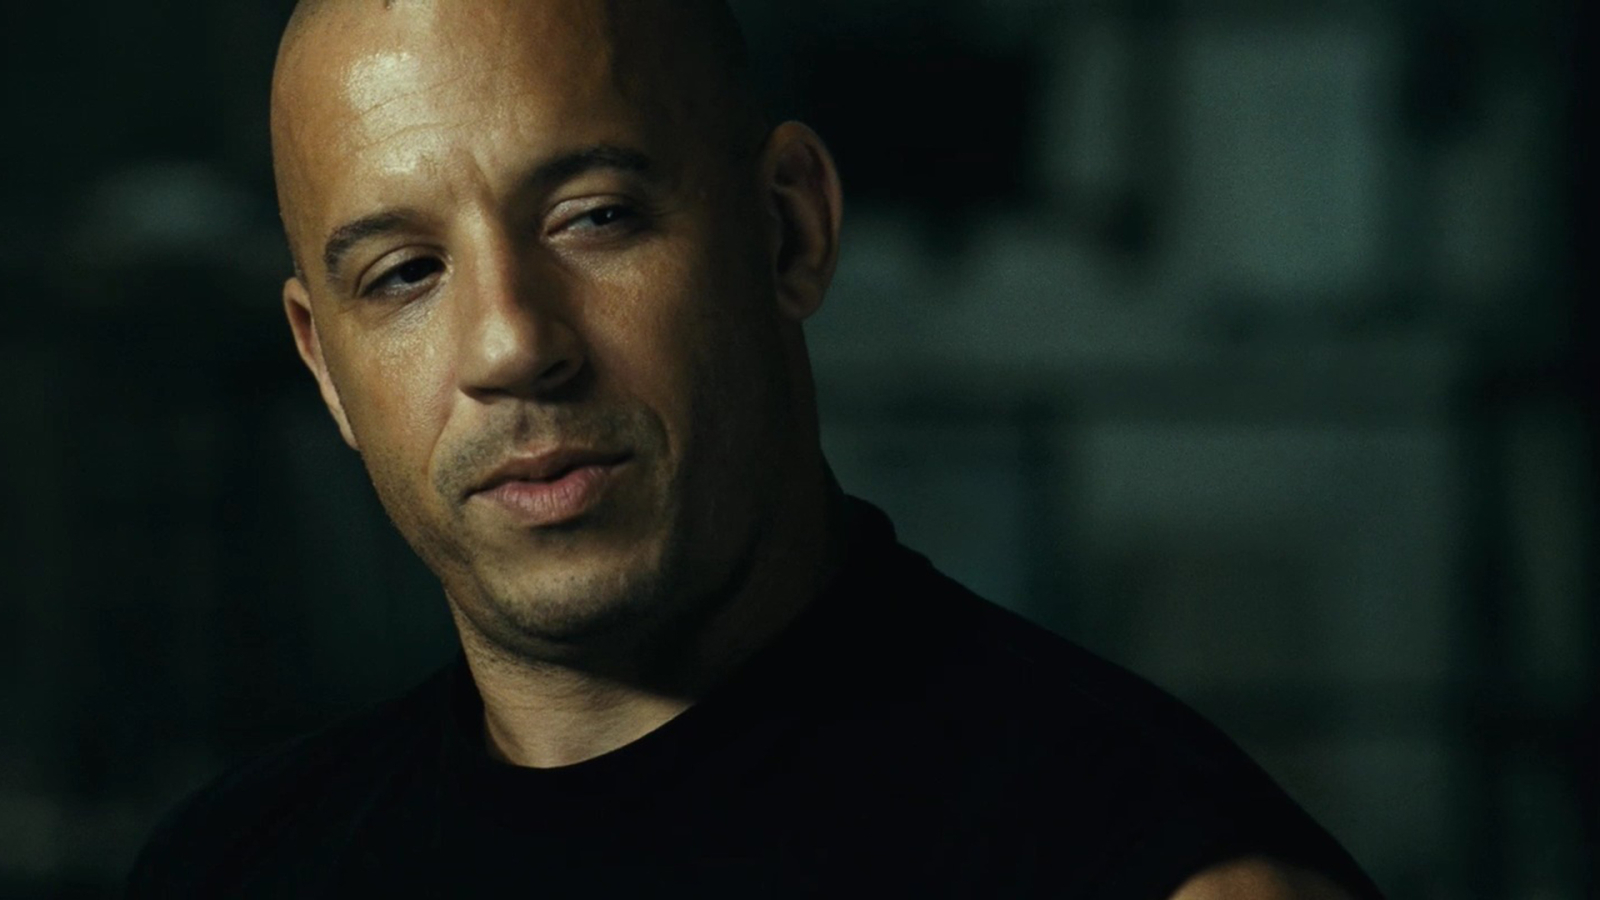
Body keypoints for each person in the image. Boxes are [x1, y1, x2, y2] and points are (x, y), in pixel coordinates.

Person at [127, 1, 1385, 897]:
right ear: (325, 368)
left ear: (789, 231)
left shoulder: (1159, 872)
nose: (510, 343)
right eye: (404, 274)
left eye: (594, 217)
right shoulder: (227, 869)